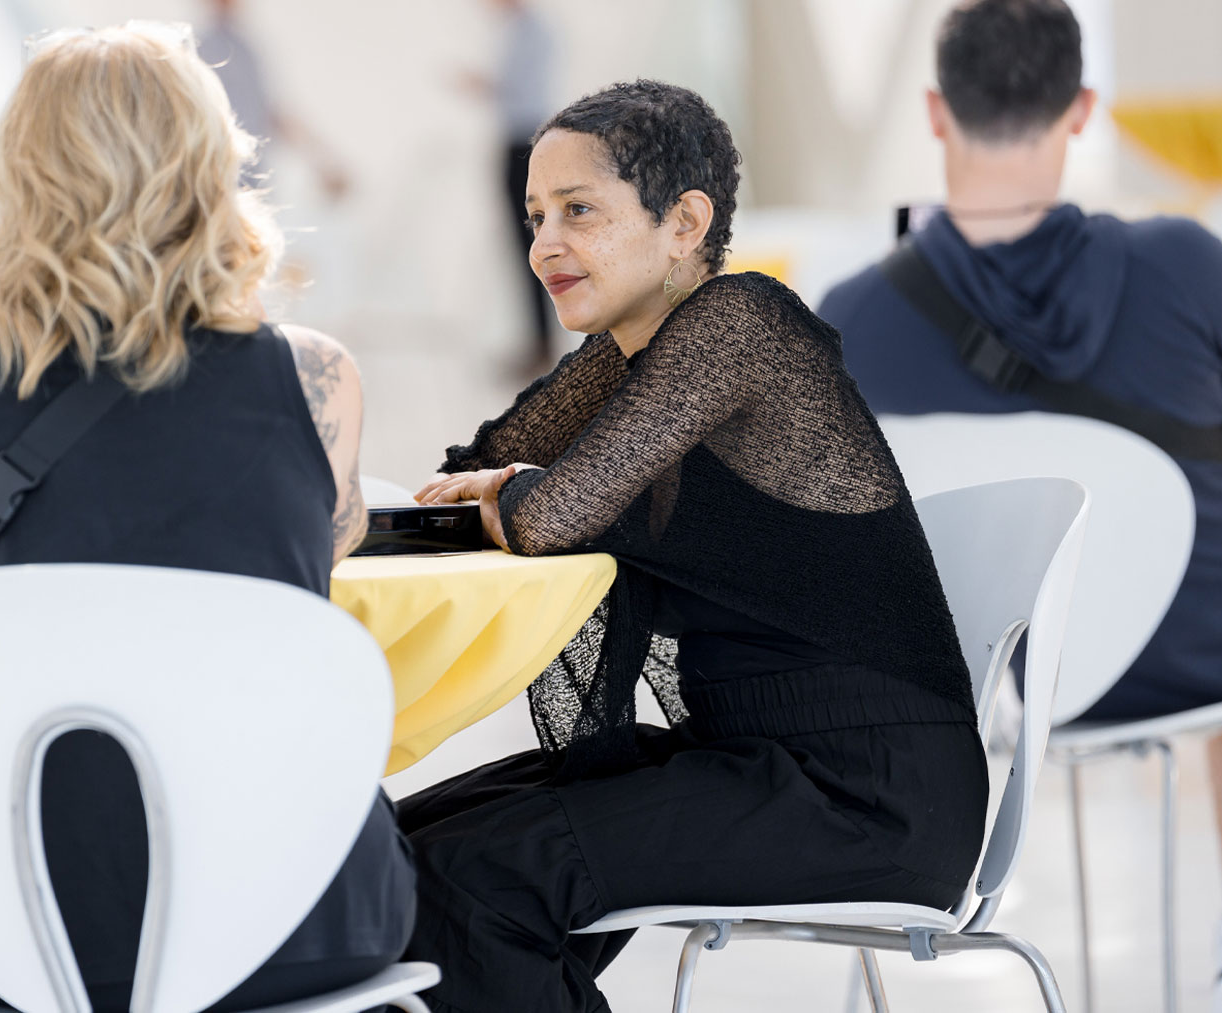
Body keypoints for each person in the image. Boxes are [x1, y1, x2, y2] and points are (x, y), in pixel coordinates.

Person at [402, 80, 989, 1012]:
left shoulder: (744, 322)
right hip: (746, 759)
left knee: (475, 880)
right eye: (535, 214)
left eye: (579, 210)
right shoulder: (627, 361)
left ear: (685, 222)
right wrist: (496, 488)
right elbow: (472, 473)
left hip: (867, 792)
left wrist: (509, 492)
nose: (544, 243)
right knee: (398, 855)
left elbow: (543, 513)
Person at [0, 23, 413, 1012]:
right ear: (213, 166)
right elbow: (309, 563)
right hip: (294, 918)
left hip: (15, 923)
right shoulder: (316, 376)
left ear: (20, 170)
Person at [817, 3, 1222, 1002]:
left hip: (994, 682)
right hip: (1199, 658)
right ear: (1082, 107)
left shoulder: (853, 318)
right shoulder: (1186, 265)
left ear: (935, 111)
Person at [461, 0, 558, 375]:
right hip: (517, 144)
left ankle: (543, 345)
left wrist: (480, 84)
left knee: (535, 247)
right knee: (525, 249)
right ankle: (537, 342)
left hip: (526, 146)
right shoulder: (517, 31)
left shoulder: (534, 31)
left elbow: (520, 92)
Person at [196, 0, 349, 199]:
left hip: (249, 188)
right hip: (212, 185)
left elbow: (272, 114)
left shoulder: (246, 50)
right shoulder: (200, 48)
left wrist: (322, 161)